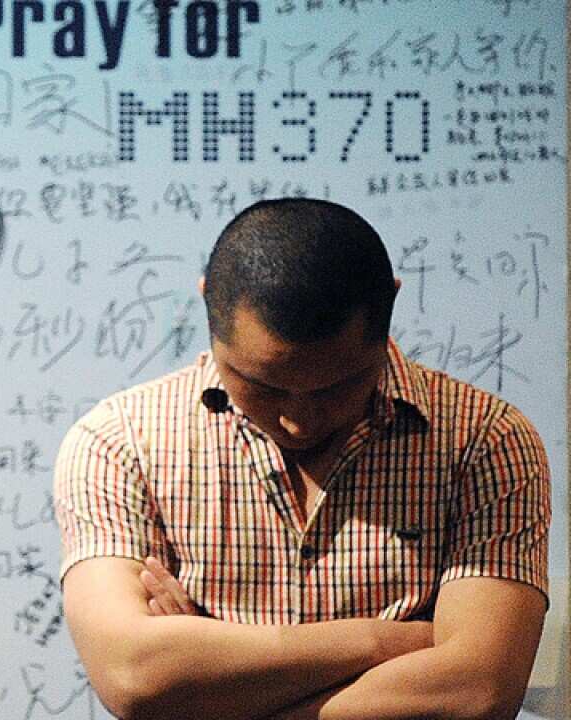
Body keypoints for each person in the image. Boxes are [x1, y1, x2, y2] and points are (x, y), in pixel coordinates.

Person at [54, 198, 550, 720]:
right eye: (261, 385)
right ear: (207, 303)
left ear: (391, 307)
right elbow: (134, 677)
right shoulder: (120, 442)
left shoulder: (484, 440)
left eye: (340, 385)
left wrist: (205, 686)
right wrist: (382, 643)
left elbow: (477, 692)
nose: (298, 420)